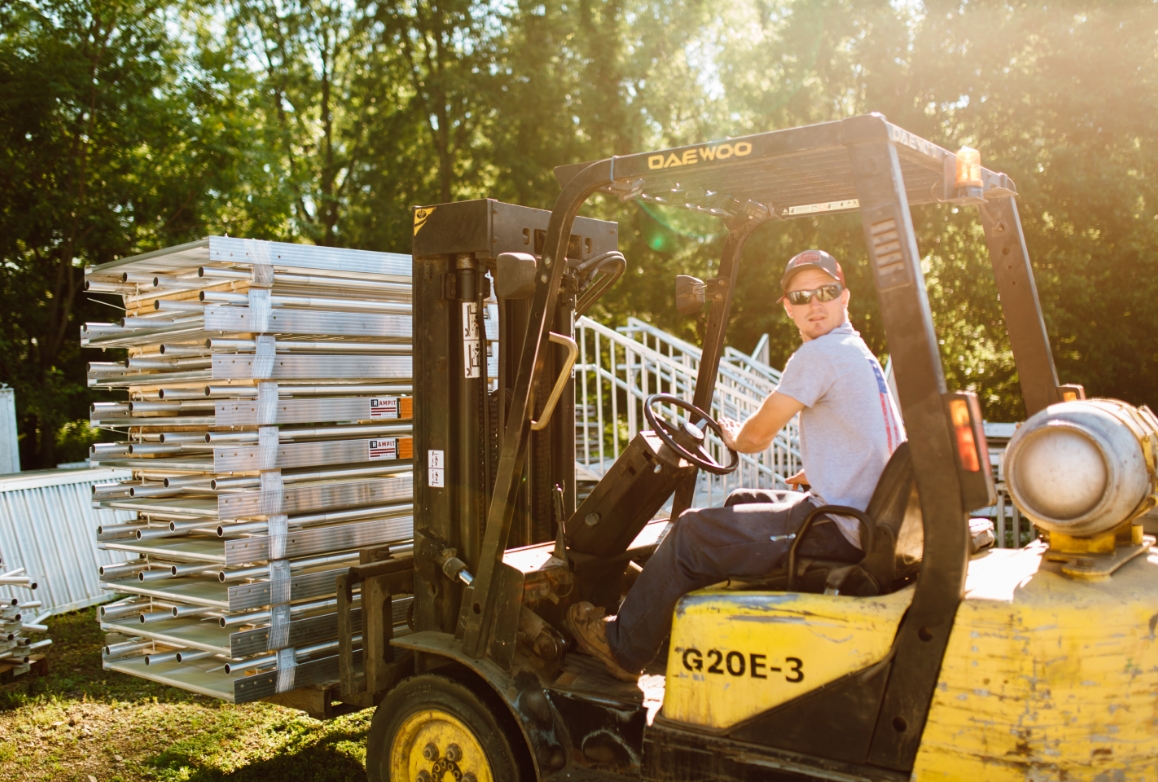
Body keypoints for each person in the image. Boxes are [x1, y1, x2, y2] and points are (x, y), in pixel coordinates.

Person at [566, 249, 906, 681]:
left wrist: (732, 437)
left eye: (825, 291)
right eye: (800, 297)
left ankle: (623, 648)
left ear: (845, 297)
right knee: (740, 500)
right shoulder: (855, 352)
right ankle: (676, 631)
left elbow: (755, 438)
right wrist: (822, 469)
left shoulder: (819, 355)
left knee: (691, 534)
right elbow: (873, 436)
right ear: (787, 307)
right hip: (859, 513)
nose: (813, 304)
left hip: (841, 529)